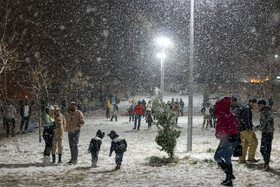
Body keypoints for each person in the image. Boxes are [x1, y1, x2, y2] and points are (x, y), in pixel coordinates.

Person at [214, 97, 240, 186]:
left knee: (217, 157)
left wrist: (219, 135)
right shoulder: (230, 114)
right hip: (234, 140)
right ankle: (229, 182)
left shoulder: (222, 115)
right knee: (228, 159)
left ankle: (229, 175)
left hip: (226, 140)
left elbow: (220, 129)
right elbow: (238, 124)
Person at [255, 99, 274, 171]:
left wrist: (258, 128)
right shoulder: (264, 111)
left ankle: (266, 164)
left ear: (262, 105)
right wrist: (258, 127)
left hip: (268, 132)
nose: (257, 106)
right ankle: (266, 163)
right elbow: (263, 123)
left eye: (259, 105)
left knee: (265, 149)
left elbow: (264, 123)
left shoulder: (266, 111)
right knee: (264, 149)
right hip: (266, 131)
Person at [238, 98, 258, 164]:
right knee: (254, 142)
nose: (255, 105)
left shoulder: (243, 107)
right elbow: (247, 119)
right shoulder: (247, 108)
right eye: (254, 104)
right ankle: (250, 158)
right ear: (251, 103)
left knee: (244, 144)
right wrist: (249, 128)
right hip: (246, 130)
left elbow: (241, 118)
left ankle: (241, 160)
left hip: (240, 129)